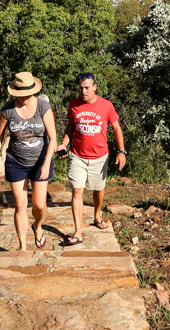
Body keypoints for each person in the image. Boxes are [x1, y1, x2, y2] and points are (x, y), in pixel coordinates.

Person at [0, 71, 57, 251]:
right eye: (22, 93)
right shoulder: (8, 110)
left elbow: (53, 138)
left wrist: (46, 163)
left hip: (40, 161)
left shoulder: (43, 107)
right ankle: (22, 247)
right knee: (20, 205)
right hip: (16, 161)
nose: (25, 96)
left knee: (39, 205)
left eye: (28, 92)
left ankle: (38, 225)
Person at [58, 72, 126, 244]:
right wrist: (63, 144)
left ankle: (97, 214)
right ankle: (78, 232)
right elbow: (70, 128)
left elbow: (116, 128)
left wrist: (121, 151)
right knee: (77, 191)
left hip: (100, 157)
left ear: (95, 87)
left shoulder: (106, 105)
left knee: (98, 189)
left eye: (87, 87)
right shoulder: (74, 105)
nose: (84, 91)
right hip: (77, 156)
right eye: (81, 88)